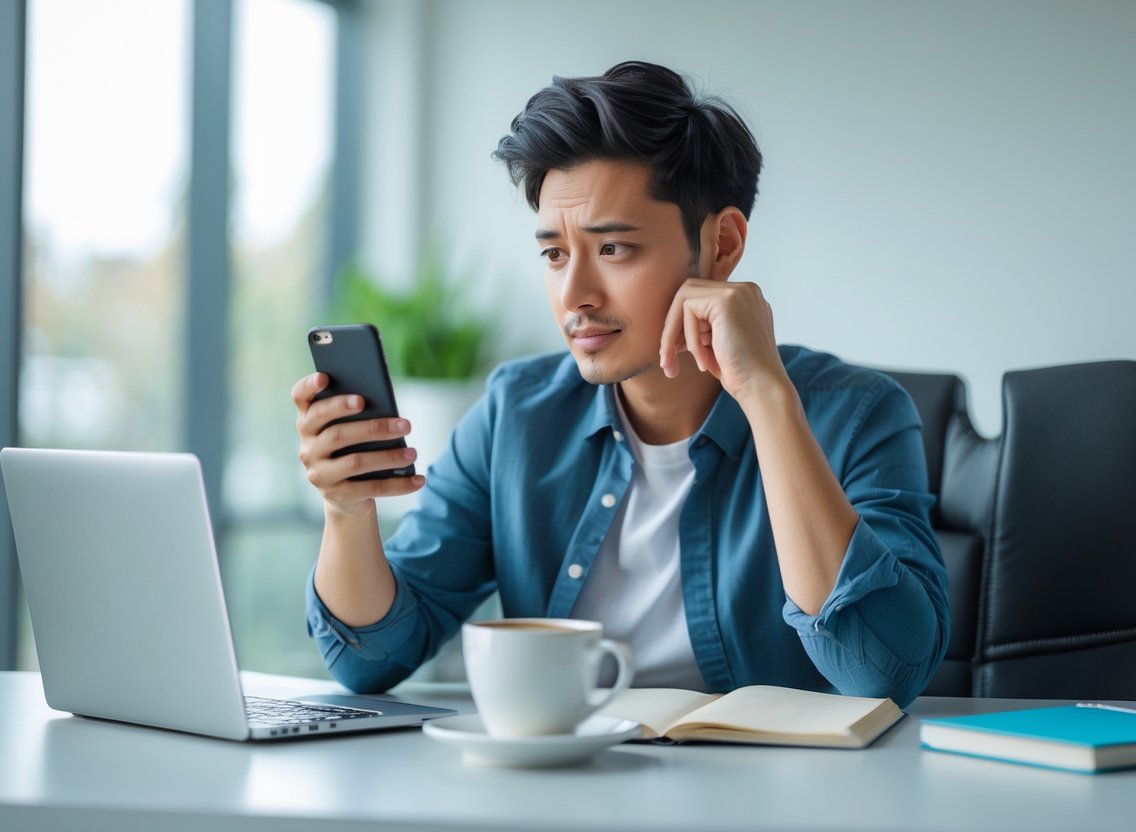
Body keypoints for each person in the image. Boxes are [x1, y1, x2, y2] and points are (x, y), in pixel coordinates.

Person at [292, 61, 948, 706]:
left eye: (613, 249)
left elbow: (882, 670)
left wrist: (768, 402)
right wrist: (348, 512)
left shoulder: (858, 414)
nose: (573, 294)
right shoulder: (515, 415)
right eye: (553, 254)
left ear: (721, 243)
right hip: (563, 790)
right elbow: (366, 659)